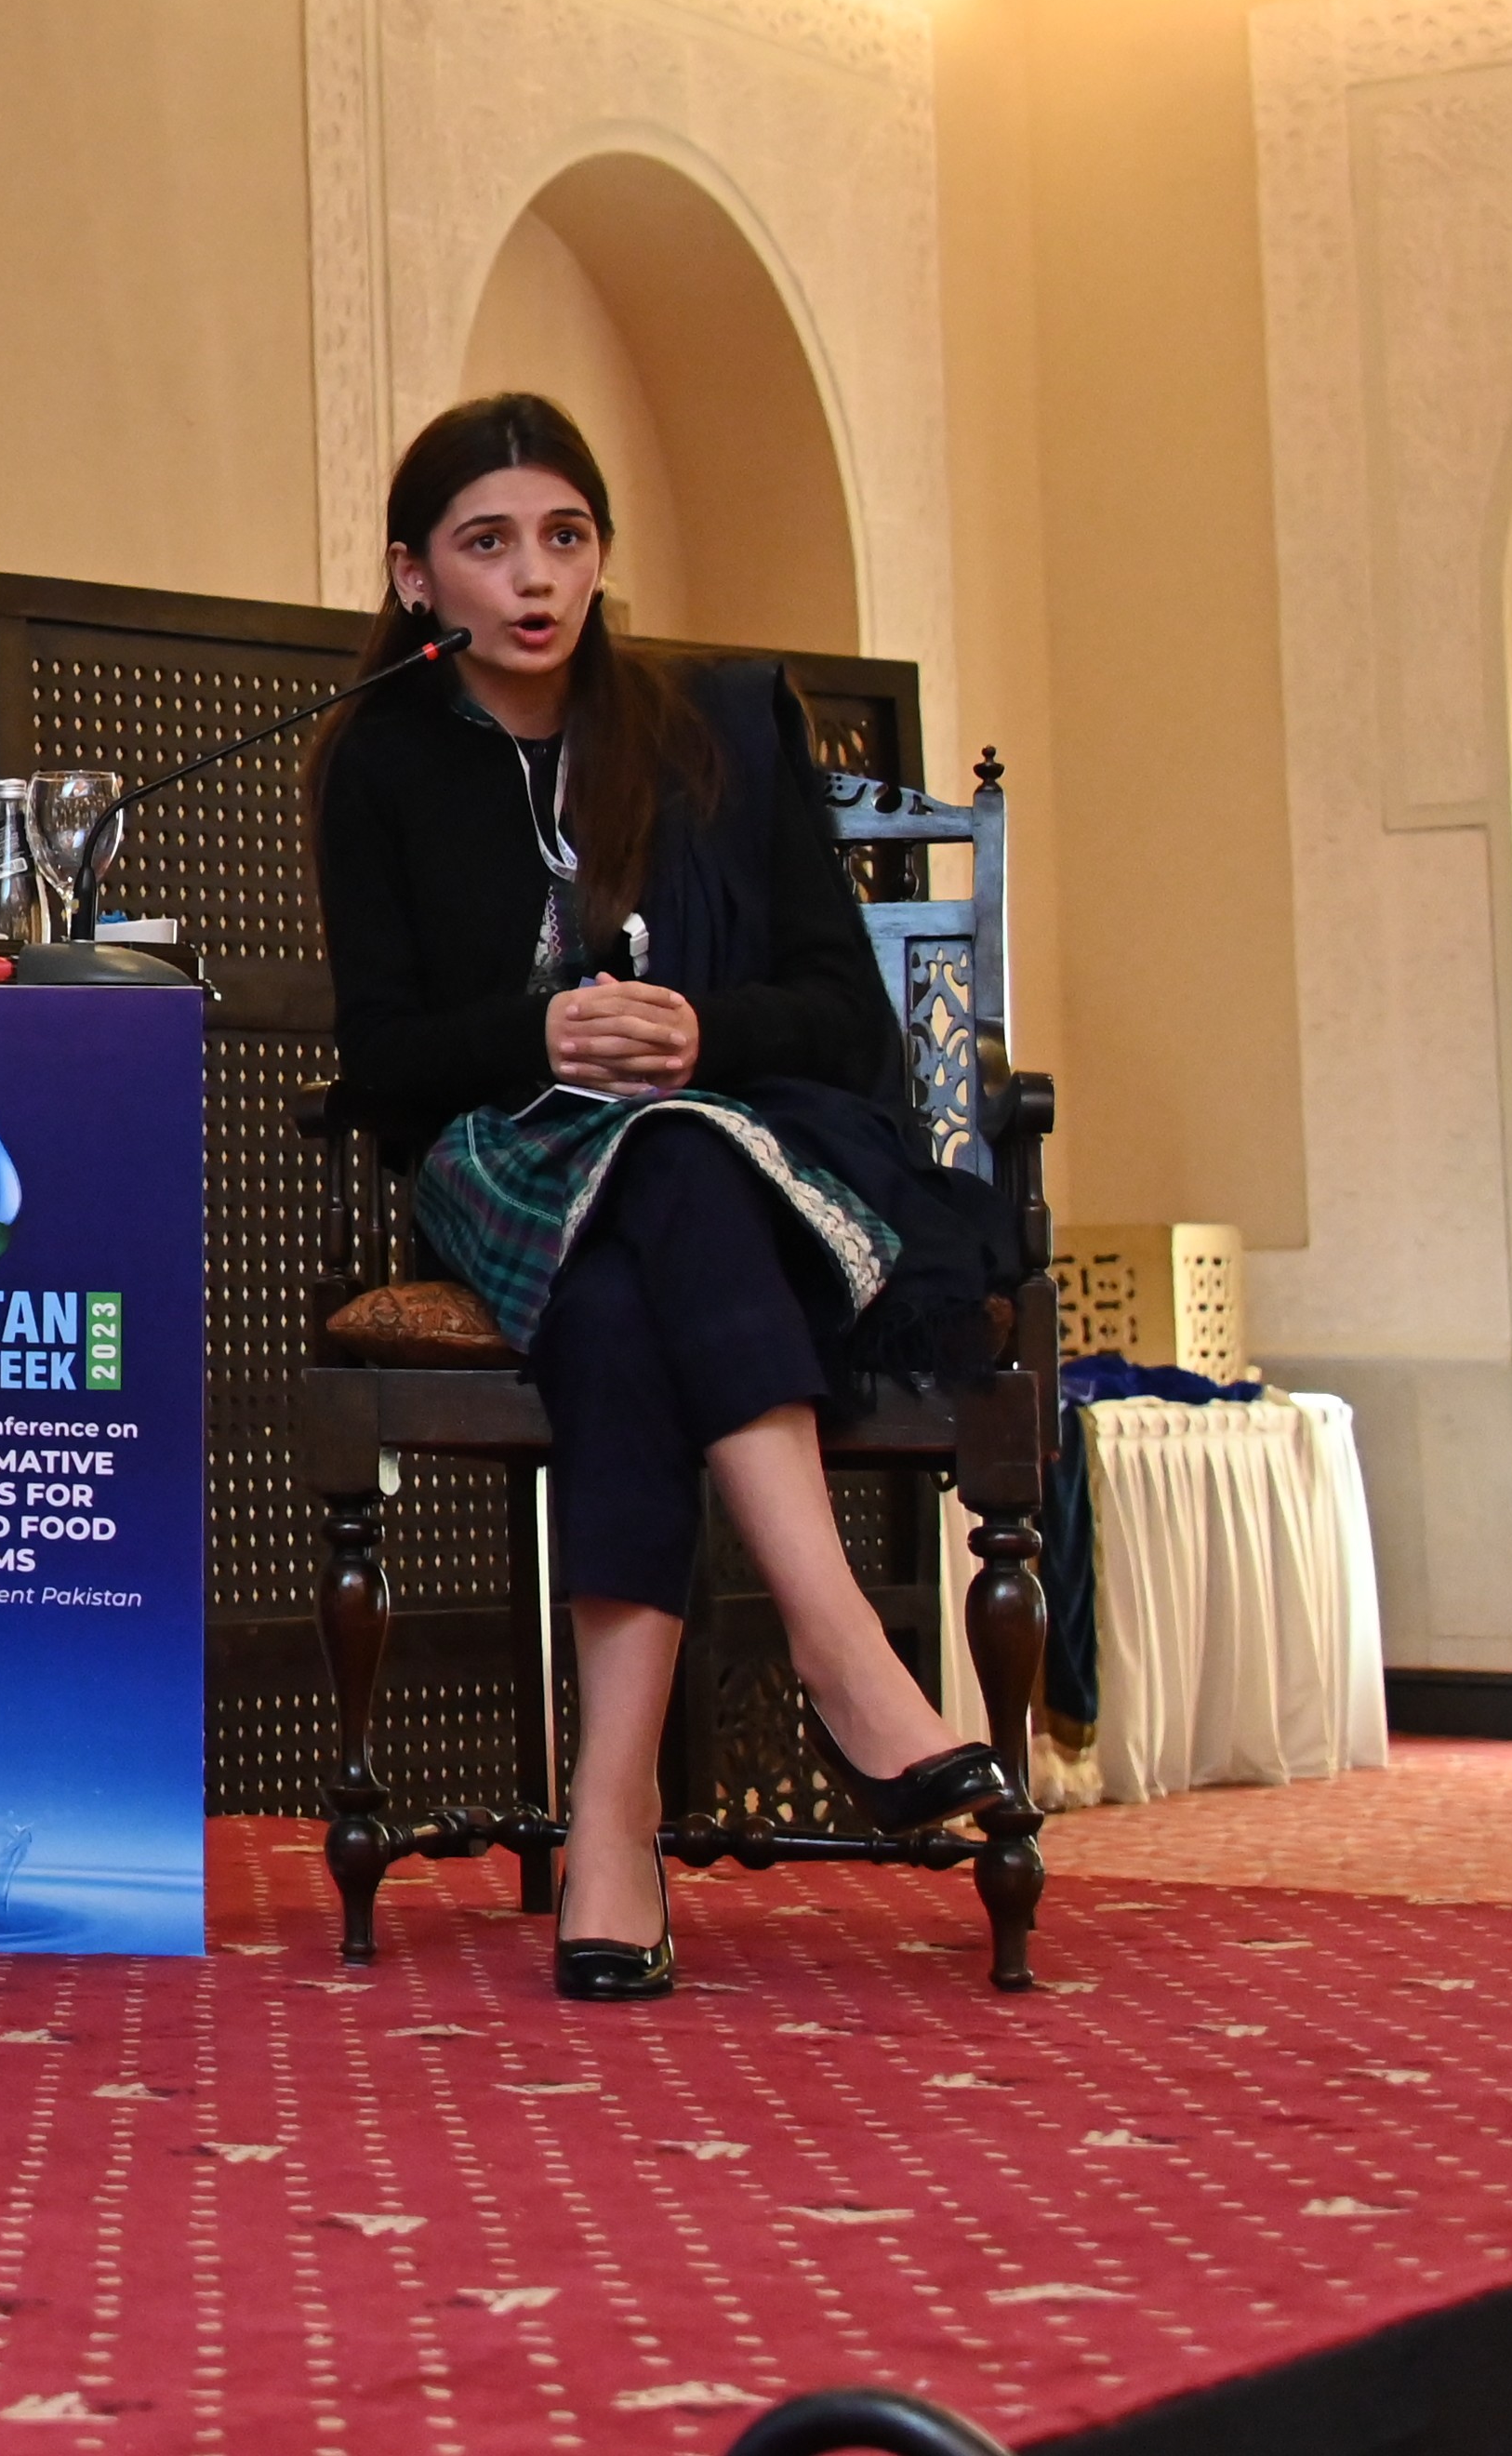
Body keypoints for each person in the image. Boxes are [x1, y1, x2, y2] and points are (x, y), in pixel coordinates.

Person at [309, 392, 1015, 2002]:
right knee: (636, 1223)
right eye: (488, 546)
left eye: (565, 537)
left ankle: (613, 1821)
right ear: (419, 580)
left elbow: (843, 1014)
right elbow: (383, 1064)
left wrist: (702, 1028)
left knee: (663, 1193)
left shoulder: (713, 733)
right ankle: (847, 1660)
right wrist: (538, 1032)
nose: (533, 578)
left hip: (737, 1155)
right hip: (502, 1161)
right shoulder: (381, 765)